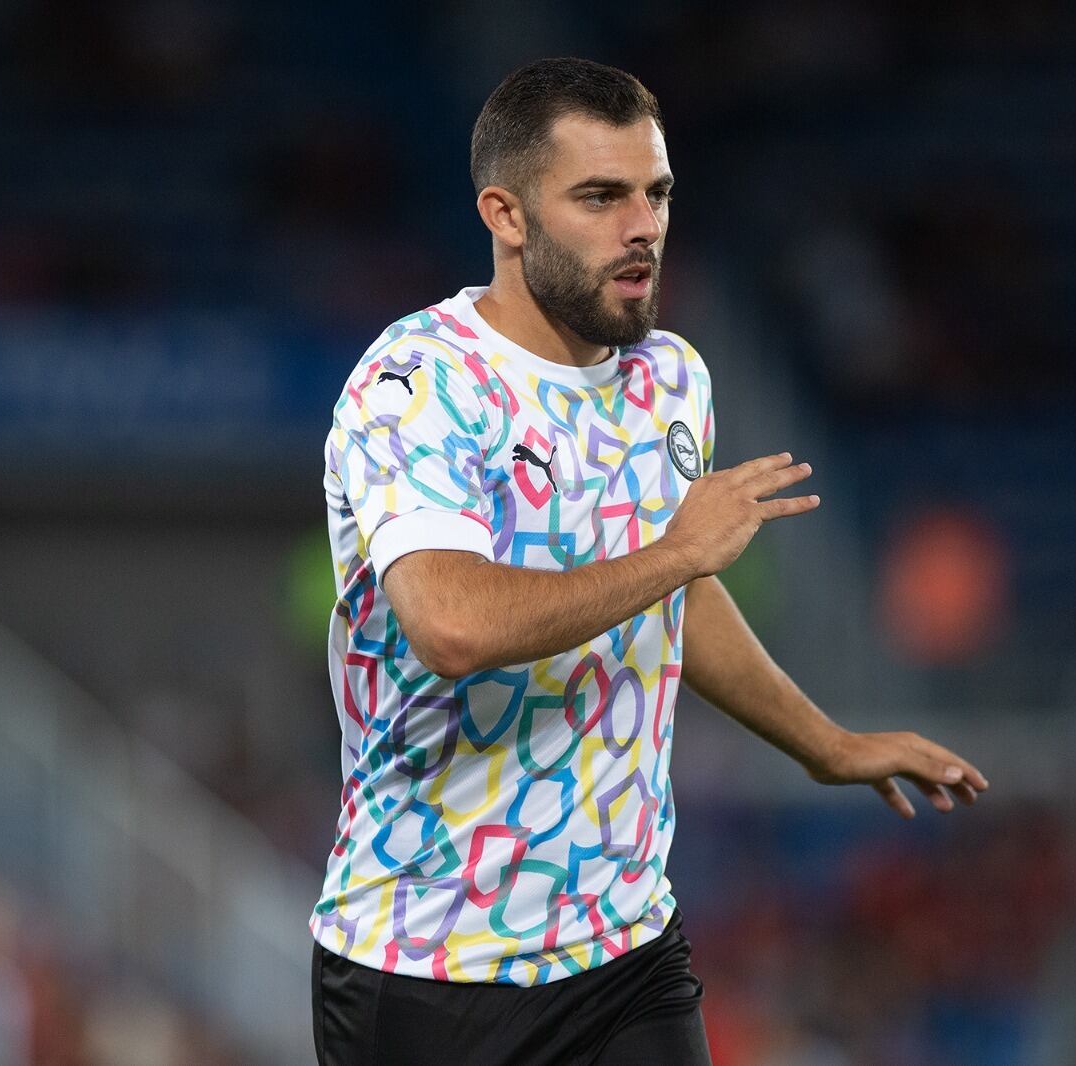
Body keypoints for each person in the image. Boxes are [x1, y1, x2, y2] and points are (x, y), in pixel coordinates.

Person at [310, 57, 989, 1066]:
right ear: (506, 215)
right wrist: (672, 554)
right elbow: (448, 623)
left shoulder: (671, 379)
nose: (643, 225)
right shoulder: (418, 384)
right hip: (424, 964)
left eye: (656, 192)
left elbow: (670, 595)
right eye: (600, 196)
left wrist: (824, 745)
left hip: (622, 947)